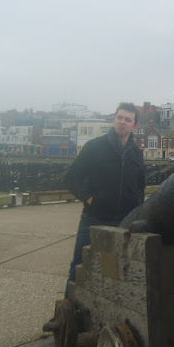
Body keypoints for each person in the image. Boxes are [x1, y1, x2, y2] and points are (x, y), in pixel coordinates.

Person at [63, 102, 145, 298]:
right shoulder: (95, 147)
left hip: (124, 221)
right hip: (94, 218)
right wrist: (89, 198)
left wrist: (136, 208)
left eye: (127, 119)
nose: (122, 122)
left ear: (134, 126)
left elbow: (139, 187)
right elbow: (71, 178)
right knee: (79, 264)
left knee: (119, 269)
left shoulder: (137, 154)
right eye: (119, 117)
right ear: (113, 119)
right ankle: (68, 306)